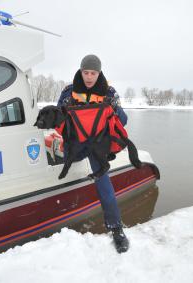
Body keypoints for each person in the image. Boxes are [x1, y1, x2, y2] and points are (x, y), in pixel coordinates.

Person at [57, 54, 130, 253]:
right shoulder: (69, 92)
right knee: (62, 163)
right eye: (86, 72)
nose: (89, 77)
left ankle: (116, 229)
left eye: (93, 73)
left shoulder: (109, 92)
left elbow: (122, 120)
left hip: (97, 145)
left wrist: (114, 106)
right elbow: (58, 118)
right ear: (81, 72)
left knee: (104, 183)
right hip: (77, 144)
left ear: (99, 73)